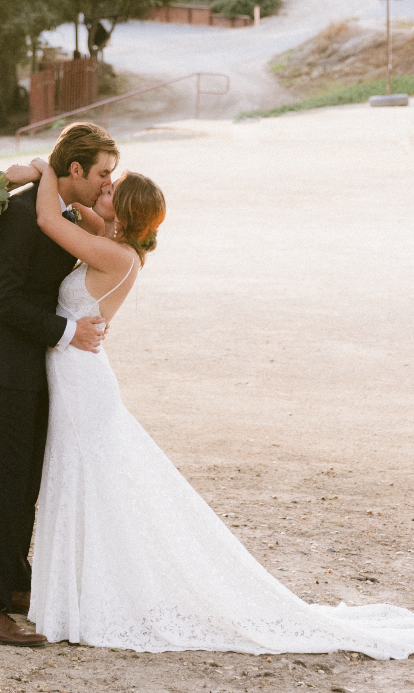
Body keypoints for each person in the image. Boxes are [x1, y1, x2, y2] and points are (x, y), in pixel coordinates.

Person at [25, 156, 414, 659]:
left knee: (87, 480)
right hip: (77, 373)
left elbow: (48, 220)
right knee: (84, 479)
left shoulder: (116, 256)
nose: (104, 188)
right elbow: (80, 214)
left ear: (121, 210)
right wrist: (82, 197)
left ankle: (87, 597)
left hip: (82, 380)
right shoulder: (116, 242)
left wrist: (43, 169)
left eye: (111, 188)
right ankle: (77, 591)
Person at [0, 122, 119, 647]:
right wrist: (69, 332)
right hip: (5, 362)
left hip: (32, 362)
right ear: (75, 169)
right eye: (101, 173)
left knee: (27, 479)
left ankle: (14, 580)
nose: (105, 183)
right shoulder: (26, 214)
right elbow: (3, 301)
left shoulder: (58, 210)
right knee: (8, 482)